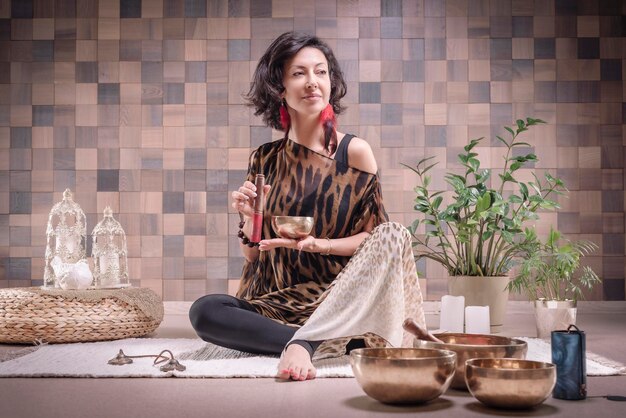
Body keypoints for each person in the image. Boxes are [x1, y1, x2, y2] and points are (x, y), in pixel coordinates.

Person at [189, 31, 425, 381]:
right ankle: (318, 342)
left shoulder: (354, 152)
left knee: (395, 233)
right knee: (205, 311)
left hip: (335, 299)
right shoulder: (265, 158)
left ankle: (308, 340)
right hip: (273, 300)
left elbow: (375, 241)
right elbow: (254, 256)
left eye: (321, 72)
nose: (313, 82)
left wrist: (321, 245)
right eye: (299, 73)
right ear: (279, 87)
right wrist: (249, 220)